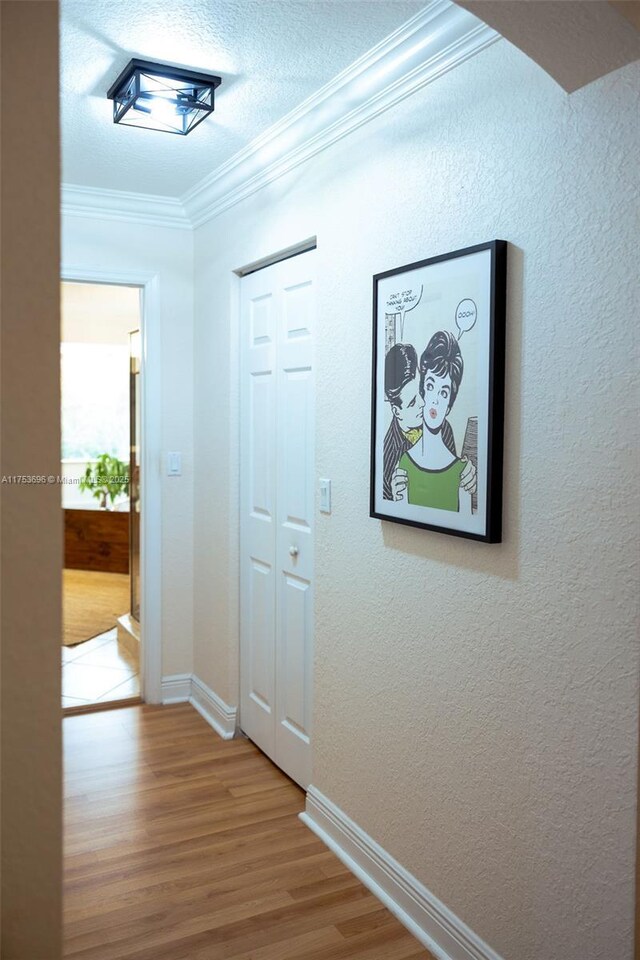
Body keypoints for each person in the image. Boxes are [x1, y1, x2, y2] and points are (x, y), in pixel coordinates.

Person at [393, 330, 475, 512]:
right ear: (422, 391)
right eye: (430, 385)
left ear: (448, 406)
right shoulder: (404, 465)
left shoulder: (463, 474)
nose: (436, 400)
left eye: (444, 392)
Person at [382, 344, 424, 500]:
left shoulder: (444, 428)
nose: (423, 403)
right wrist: (394, 498)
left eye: (421, 391)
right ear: (396, 411)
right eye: (412, 402)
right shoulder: (387, 458)